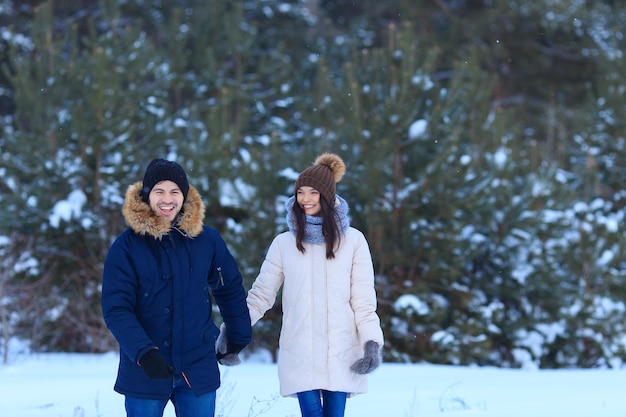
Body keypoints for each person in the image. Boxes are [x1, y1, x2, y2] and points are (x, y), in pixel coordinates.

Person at [101, 158, 251, 417]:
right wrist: (144, 353)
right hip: (145, 370)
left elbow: (229, 288)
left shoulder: (207, 240)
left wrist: (238, 334)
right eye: (159, 191)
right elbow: (116, 309)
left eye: (174, 192)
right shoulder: (126, 247)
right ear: (147, 195)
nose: (167, 199)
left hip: (197, 365)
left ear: (184, 195)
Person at [245, 153, 384, 417]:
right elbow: (261, 295)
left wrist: (372, 343)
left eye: (313, 192)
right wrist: (236, 328)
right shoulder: (284, 243)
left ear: (328, 196)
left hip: (341, 351)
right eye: (300, 192)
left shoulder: (354, 241)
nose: (305, 199)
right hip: (300, 350)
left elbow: (364, 302)